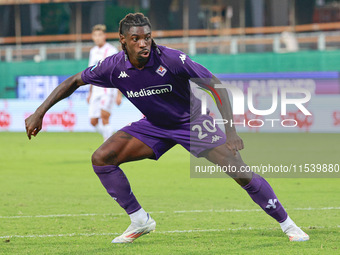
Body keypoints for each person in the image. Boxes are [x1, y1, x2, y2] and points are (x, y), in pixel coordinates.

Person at [25, 13, 309, 244]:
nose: (143, 43)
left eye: (147, 37)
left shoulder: (172, 59)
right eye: (135, 39)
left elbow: (216, 86)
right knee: (102, 158)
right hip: (154, 126)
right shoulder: (112, 67)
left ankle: (289, 225)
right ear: (122, 41)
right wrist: (39, 113)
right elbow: (74, 81)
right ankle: (139, 220)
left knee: (239, 171)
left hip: (192, 122)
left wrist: (229, 130)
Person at [87, 24, 122, 141]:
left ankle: (108, 144)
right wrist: (90, 92)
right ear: (92, 37)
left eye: (100, 35)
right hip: (96, 90)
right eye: (95, 35)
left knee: (104, 116)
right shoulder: (93, 52)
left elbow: (118, 72)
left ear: (104, 36)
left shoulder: (111, 50)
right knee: (93, 121)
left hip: (108, 88)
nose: (97, 38)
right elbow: (91, 73)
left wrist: (119, 93)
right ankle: (112, 138)